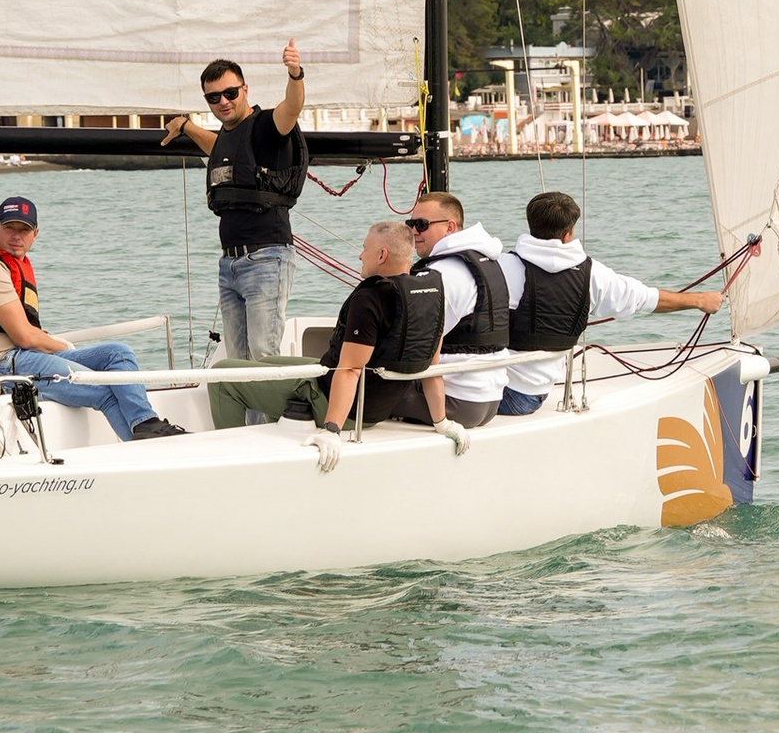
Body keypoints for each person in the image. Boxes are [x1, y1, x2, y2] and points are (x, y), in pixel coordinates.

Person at [0, 194, 186, 445]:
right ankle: (147, 448)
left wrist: (53, 346)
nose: (17, 236)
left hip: (25, 356)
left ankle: (146, 424)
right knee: (104, 390)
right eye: (9, 228)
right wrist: (64, 347)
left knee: (119, 354)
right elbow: (24, 336)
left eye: (24, 229)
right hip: (1, 363)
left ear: (35, 233)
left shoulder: (13, 266)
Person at [167, 36, 307, 422]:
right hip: (229, 266)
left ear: (245, 90)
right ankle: (250, 435)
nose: (224, 101)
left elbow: (292, 108)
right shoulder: (227, 136)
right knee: (238, 362)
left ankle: (274, 434)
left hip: (266, 258)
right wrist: (186, 126)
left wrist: (295, 73)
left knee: (263, 357)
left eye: (230, 92)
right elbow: (218, 148)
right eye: (214, 97)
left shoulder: (265, 127)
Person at [498, 188, 730, 415]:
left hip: (503, 391)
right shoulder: (592, 275)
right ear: (568, 233)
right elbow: (647, 299)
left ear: (531, 226)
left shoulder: (501, 268)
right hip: (531, 395)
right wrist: (700, 300)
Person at [310, 219, 448, 463]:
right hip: (381, 407)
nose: (361, 256)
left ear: (382, 255)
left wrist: (332, 430)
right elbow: (432, 368)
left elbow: (351, 369)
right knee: (278, 362)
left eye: (365, 249)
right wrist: (442, 423)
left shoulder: (370, 298)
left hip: (342, 407)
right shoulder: (430, 296)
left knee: (230, 377)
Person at [400, 185, 517, 427]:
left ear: (450, 227)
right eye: (410, 224)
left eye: (421, 224)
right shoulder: (491, 263)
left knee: (361, 387)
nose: (413, 232)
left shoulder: (440, 275)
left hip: (456, 401)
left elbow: (418, 343)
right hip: (491, 399)